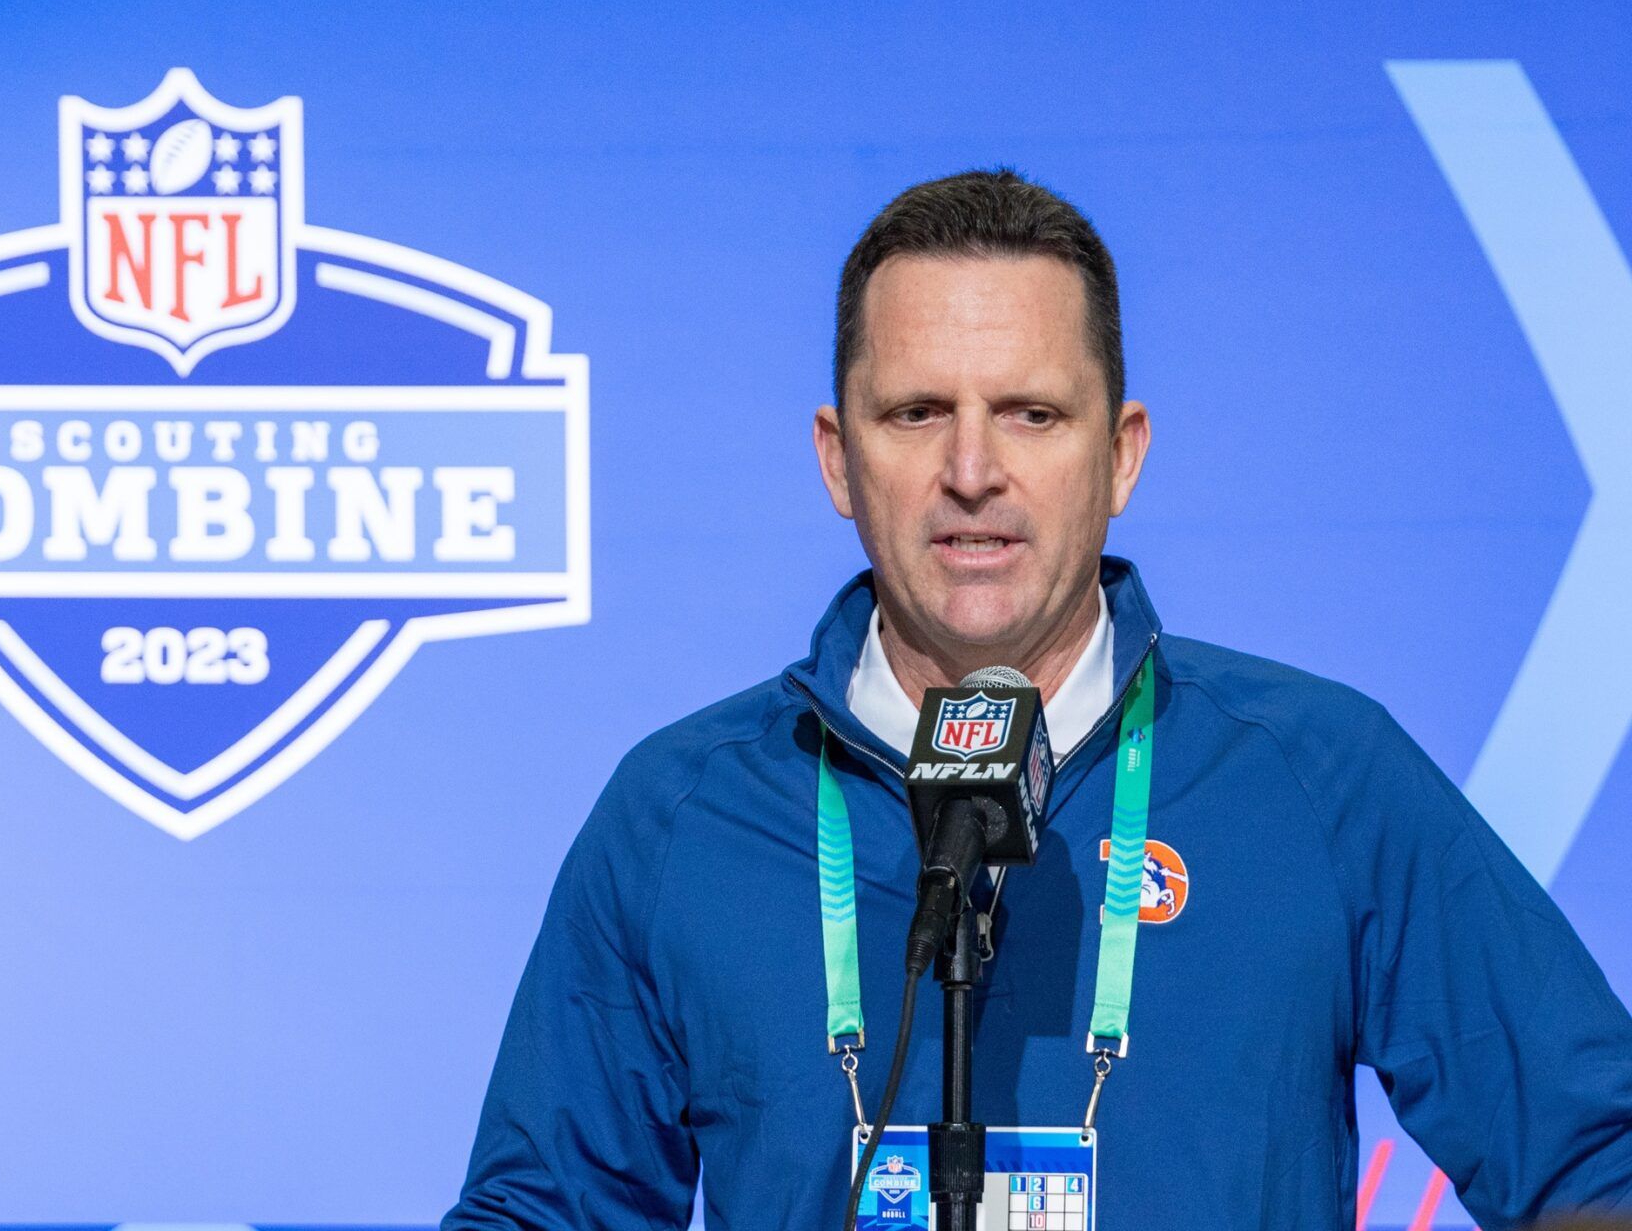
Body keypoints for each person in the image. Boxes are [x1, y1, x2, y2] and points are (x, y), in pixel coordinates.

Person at [443, 171, 1632, 1229]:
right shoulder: (681, 810)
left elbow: (1599, 1158)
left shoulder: (1319, 775)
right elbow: (542, 1209)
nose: (973, 470)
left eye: (1032, 413)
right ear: (835, 455)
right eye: (917, 413)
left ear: (1121, 453)